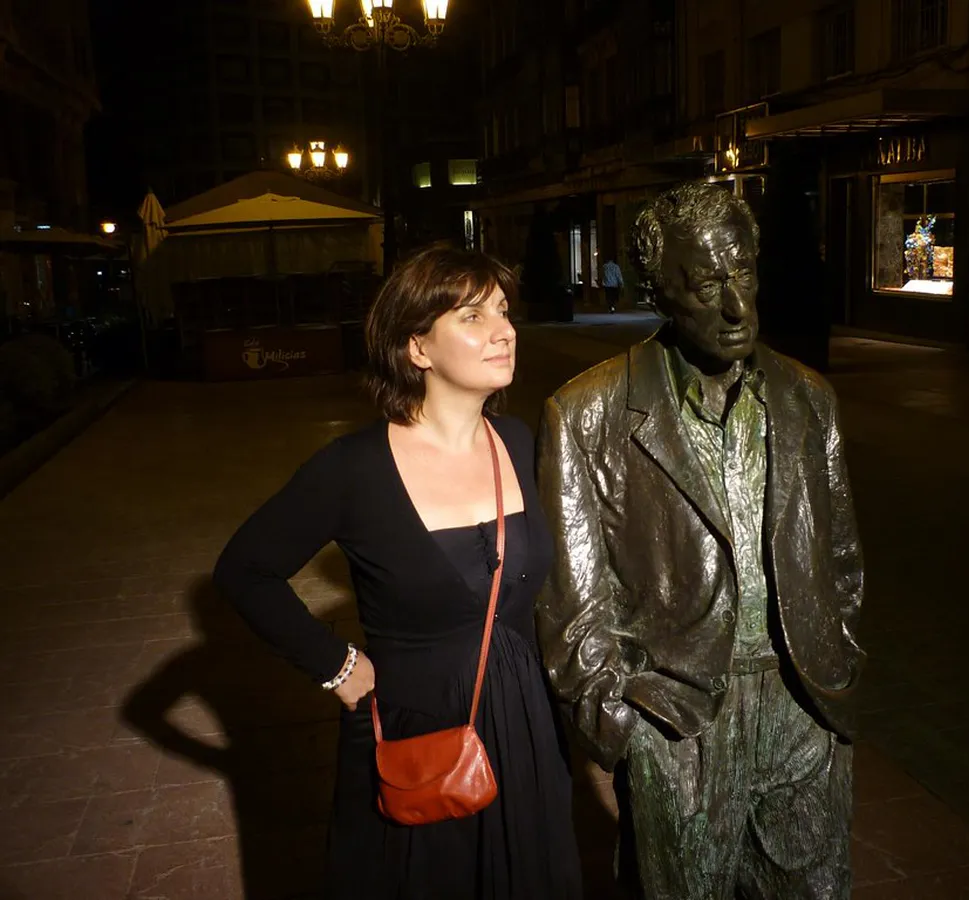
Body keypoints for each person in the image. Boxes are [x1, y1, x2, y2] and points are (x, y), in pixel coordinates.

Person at [214, 243, 582, 900]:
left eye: (502, 311)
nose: (503, 332)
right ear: (417, 347)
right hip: (417, 728)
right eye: (472, 317)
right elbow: (245, 570)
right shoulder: (352, 470)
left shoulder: (523, 443)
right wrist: (335, 666)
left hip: (526, 720)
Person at [536, 183, 865, 900]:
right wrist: (628, 730)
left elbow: (840, 557)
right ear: (659, 291)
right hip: (675, 721)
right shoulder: (586, 413)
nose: (737, 306)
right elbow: (572, 604)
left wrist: (836, 653)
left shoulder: (810, 398)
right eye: (708, 282)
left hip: (801, 706)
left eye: (743, 272)